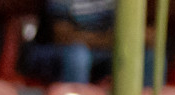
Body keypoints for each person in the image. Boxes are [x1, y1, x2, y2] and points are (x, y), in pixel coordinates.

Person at [19, 0, 153, 85]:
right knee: (78, 54)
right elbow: (63, 37)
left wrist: (118, 39)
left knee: (151, 58)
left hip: (104, 52)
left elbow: (147, 36)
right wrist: (112, 39)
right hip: (52, 52)